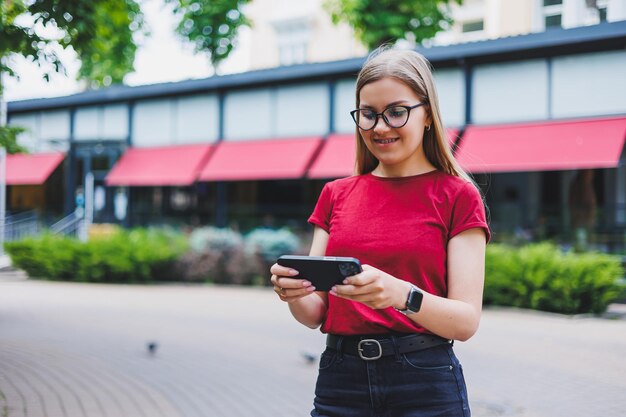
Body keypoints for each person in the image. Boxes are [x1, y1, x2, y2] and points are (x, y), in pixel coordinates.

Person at [270, 47, 490, 417]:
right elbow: (316, 314)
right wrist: (293, 291)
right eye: (368, 114)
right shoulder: (335, 194)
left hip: (424, 380)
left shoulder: (457, 195)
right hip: (341, 381)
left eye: (396, 112)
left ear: (427, 116)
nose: (381, 127)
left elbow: (466, 321)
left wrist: (401, 294)